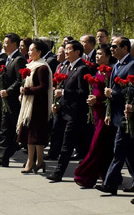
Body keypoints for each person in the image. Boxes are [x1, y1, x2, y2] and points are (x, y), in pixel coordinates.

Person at [73, 43, 117, 188]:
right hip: (96, 113)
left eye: (100, 54)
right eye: (96, 54)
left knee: (96, 146)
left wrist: (98, 100)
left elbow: (110, 96)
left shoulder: (110, 72)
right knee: (104, 148)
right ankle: (108, 177)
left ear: (108, 57)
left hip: (105, 114)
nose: (97, 57)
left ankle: (84, 175)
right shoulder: (98, 71)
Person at [47, 39, 91, 181]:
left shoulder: (82, 68)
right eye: (65, 49)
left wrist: (64, 93)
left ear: (77, 52)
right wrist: (57, 103)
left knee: (67, 144)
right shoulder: (68, 67)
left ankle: (59, 173)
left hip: (75, 113)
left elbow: (82, 92)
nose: (66, 52)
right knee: (80, 144)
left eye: (69, 50)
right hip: (64, 110)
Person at [95, 36, 134, 195]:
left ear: (125, 48)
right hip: (117, 115)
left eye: (115, 46)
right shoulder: (116, 65)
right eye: (111, 46)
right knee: (129, 153)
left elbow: (131, 90)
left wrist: (114, 93)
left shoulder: (131, 65)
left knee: (118, 150)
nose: (111, 49)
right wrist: (109, 112)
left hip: (128, 115)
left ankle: (109, 184)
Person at [0, 33, 26, 167]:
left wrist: (8, 91)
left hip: (13, 101)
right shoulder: (8, 59)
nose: (4, 46)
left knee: (13, 131)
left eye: (6, 43)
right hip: (5, 101)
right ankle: (2, 159)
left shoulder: (18, 59)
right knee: (4, 130)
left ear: (14, 44)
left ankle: (30, 158)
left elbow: (19, 80)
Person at [17, 38, 53, 174]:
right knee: (29, 135)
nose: (29, 52)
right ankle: (31, 161)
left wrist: (27, 91)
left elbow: (44, 87)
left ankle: (38, 160)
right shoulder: (31, 65)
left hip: (38, 106)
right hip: (30, 105)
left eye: (32, 50)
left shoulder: (42, 67)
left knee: (36, 135)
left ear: (39, 52)